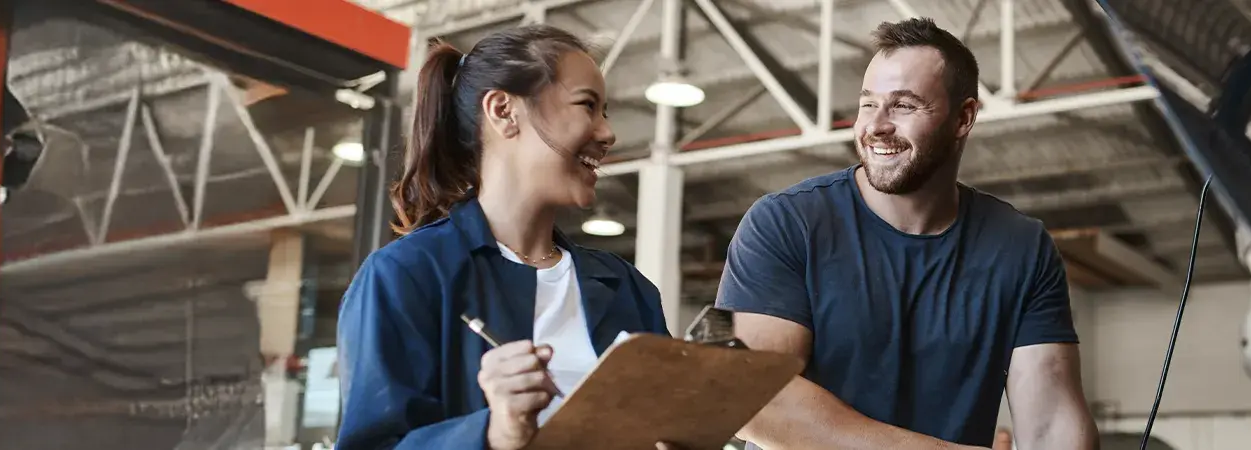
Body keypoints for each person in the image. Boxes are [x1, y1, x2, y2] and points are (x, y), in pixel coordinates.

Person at [717, 18, 1098, 450]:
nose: (876, 125)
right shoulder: (786, 223)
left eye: (903, 105)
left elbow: (1052, 424)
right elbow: (754, 399)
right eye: (867, 104)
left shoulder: (1020, 246)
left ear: (964, 118)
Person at [336, 25, 670, 450]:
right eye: (588, 105)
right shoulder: (404, 277)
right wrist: (493, 433)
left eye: (605, 112)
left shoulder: (629, 289)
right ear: (503, 110)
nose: (607, 133)